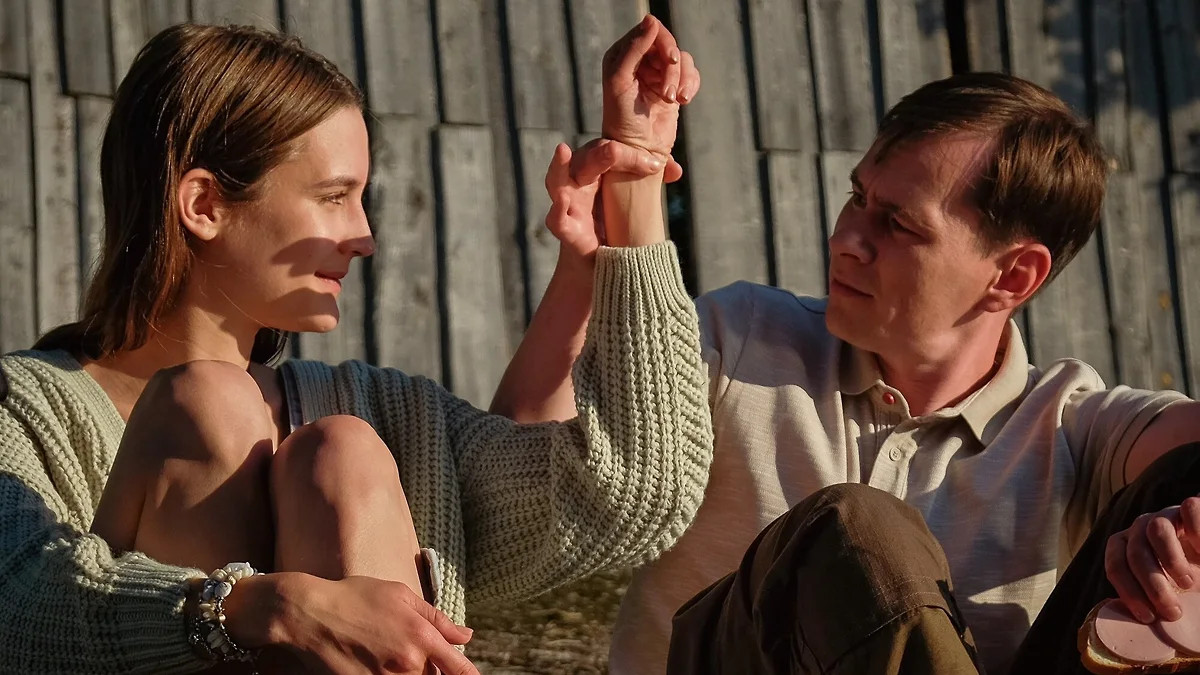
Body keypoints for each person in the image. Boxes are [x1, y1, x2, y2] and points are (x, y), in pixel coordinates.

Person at [0, 16, 708, 674]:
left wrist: (635, 181)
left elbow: (631, 494)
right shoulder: (27, 407)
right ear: (205, 204)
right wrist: (257, 608)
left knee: (340, 452)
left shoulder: (383, 414)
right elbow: (20, 612)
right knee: (208, 403)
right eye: (334, 196)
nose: (364, 236)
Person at [501, 69, 1200, 673]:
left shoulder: (1070, 422)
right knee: (858, 530)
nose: (846, 238)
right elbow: (518, 477)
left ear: (1013, 275)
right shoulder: (740, 336)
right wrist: (587, 275)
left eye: (897, 224)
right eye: (857, 197)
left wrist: (1185, 534)